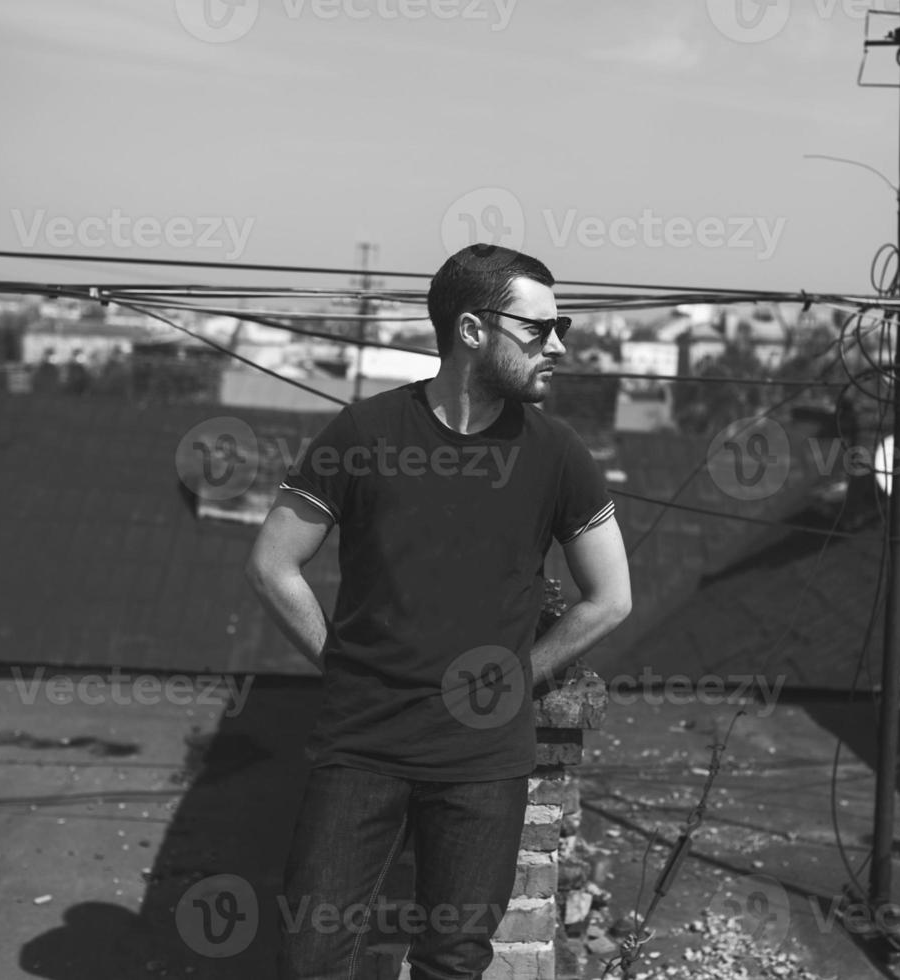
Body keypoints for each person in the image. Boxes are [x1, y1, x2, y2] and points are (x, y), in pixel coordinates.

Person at [246, 243, 633, 980]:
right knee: (310, 956)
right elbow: (272, 564)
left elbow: (612, 597)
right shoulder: (363, 434)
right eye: (540, 330)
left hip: (484, 761)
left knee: (454, 961)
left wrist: (519, 676)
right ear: (472, 330)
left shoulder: (557, 453)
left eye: (563, 328)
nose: (557, 348)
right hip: (361, 748)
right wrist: (342, 663)